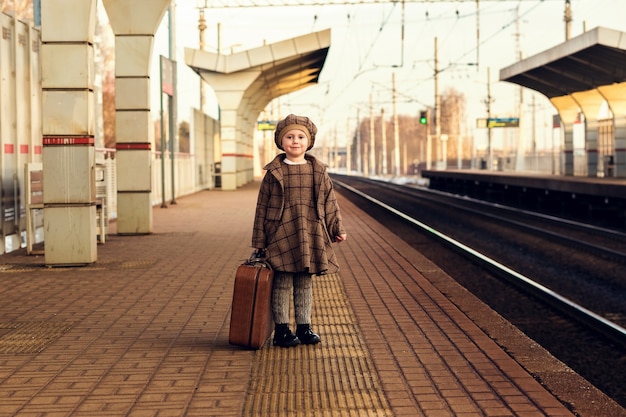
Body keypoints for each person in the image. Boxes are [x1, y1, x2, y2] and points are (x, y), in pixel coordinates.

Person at [252, 114, 347, 348]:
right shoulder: (274, 173)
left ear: (309, 141)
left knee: (305, 282)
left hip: (310, 232)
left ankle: (304, 327)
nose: (295, 141)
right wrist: (259, 241)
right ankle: (282, 330)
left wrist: (337, 228)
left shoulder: (318, 171)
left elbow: (329, 202)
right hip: (279, 234)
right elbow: (262, 208)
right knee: (282, 282)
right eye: (290, 137)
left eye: (301, 137)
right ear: (281, 141)